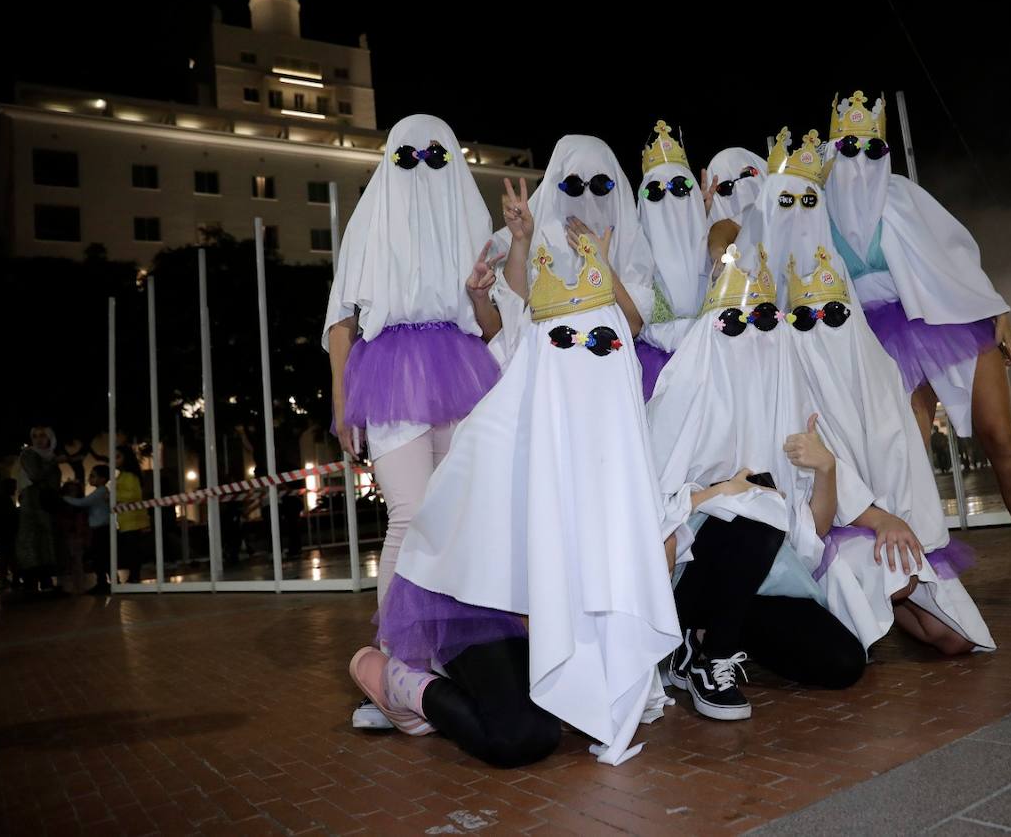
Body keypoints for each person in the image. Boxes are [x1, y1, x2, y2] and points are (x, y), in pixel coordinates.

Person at [370, 138, 680, 766]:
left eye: (601, 345)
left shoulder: (619, 445)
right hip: (483, 611)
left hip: (540, 624)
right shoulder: (496, 429)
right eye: (566, 339)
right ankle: (397, 683)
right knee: (524, 739)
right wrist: (519, 245)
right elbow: (507, 319)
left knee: (556, 723)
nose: (583, 355)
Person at [739, 127, 995, 657]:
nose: (797, 211)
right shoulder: (754, 333)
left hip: (873, 509)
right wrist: (874, 517)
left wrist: (902, 520)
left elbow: (889, 426)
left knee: (953, 640)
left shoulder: (845, 307)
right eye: (783, 200)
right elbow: (790, 451)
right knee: (878, 605)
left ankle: (878, 594)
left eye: (809, 199)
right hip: (813, 524)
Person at [822, 92, 1011, 616]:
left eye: (872, 149)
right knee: (904, 453)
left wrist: (994, 304)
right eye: (847, 147)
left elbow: (955, 254)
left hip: (948, 321)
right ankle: (922, 573)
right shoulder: (816, 210)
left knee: (1000, 435)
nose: (860, 161)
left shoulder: (904, 196)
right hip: (880, 341)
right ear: (831, 148)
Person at [324, 114, 503, 730]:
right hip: (391, 372)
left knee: (454, 519)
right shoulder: (369, 221)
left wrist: (482, 294)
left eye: (437, 155)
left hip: (461, 367)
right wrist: (341, 401)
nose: (423, 168)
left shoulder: (473, 219)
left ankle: (443, 659)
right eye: (407, 157)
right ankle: (399, 664)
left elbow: (492, 325)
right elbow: (341, 322)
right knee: (408, 514)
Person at [648, 238, 867, 721]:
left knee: (843, 663)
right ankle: (713, 658)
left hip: (762, 581)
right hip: (683, 582)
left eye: (765, 321)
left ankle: (704, 641)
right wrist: (720, 493)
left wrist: (825, 468)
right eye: (733, 323)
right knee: (757, 501)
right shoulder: (680, 397)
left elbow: (814, 532)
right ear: (710, 329)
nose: (750, 334)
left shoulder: (791, 402)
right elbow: (641, 515)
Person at [634, 121, 710, 399]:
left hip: (711, 373)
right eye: (654, 191)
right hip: (651, 379)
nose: (667, 195)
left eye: (680, 187)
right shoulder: (630, 262)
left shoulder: (719, 253)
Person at [16, 427, 65, 593]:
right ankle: (31, 581)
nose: (38, 439)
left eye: (43, 435)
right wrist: (53, 463)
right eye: (35, 436)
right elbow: (35, 475)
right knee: (32, 540)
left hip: (46, 503)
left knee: (46, 541)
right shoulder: (29, 454)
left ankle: (46, 580)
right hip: (32, 502)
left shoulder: (50, 456)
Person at [64, 464, 112, 594]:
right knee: (103, 556)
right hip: (102, 528)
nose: (90, 478)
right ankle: (110, 581)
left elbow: (82, 502)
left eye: (93, 476)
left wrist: (66, 498)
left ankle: (103, 583)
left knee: (100, 557)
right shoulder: (102, 492)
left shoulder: (100, 492)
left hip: (100, 529)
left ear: (102, 479)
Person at [114, 445, 150, 583]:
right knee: (130, 550)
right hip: (127, 519)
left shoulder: (129, 475)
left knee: (132, 550)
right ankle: (133, 576)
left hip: (132, 519)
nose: (115, 460)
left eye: (118, 457)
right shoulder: (124, 475)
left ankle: (134, 576)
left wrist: (114, 495)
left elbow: (134, 494)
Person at [0, 478, 17, 588]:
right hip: (5, 533)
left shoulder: (1, 499)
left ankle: (3, 579)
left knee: (3, 556)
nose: (15, 489)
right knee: (7, 556)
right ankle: (5, 579)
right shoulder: (4, 500)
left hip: (1, 533)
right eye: (13, 486)